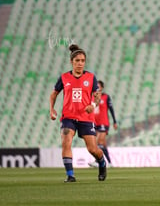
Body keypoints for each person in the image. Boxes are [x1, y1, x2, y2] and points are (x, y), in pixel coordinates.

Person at [49, 44, 107, 182]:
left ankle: (102, 162)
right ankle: (70, 175)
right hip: (68, 117)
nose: (80, 63)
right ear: (71, 62)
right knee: (66, 141)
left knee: (93, 149)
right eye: (77, 61)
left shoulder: (91, 77)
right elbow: (54, 94)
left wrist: (92, 105)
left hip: (86, 117)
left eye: (82, 61)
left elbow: (97, 96)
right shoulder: (64, 78)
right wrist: (52, 109)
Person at [88, 80, 118, 168]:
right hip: (95, 123)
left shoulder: (106, 97)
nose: (97, 88)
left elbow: (111, 109)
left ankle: (97, 161)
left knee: (99, 142)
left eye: (98, 86)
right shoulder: (92, 97)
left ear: (102, 87)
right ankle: (109, 162)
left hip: (104, 123)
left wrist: (114, 121)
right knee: (102, 145)